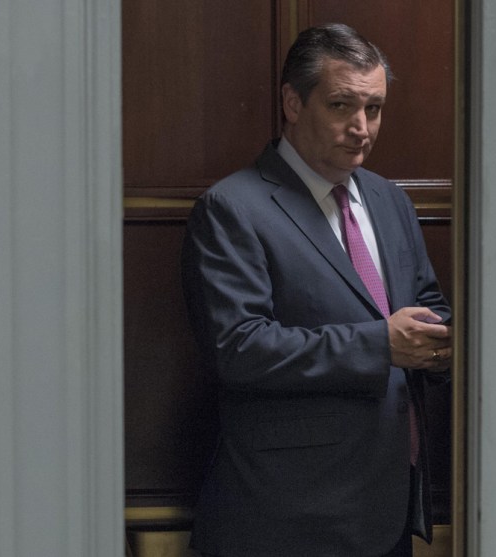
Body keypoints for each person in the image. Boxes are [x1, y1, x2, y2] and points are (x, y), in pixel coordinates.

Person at [181, 23, 452, 557]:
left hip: (390, 502)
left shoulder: (390, 200)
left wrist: (444, 346)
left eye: (374, 108)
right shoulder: (231, 208)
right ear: (292, 102)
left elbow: (427, 307)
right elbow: (238, 348)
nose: (361, 128)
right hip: (286, 514)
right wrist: (381, 343)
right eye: (341, 106)